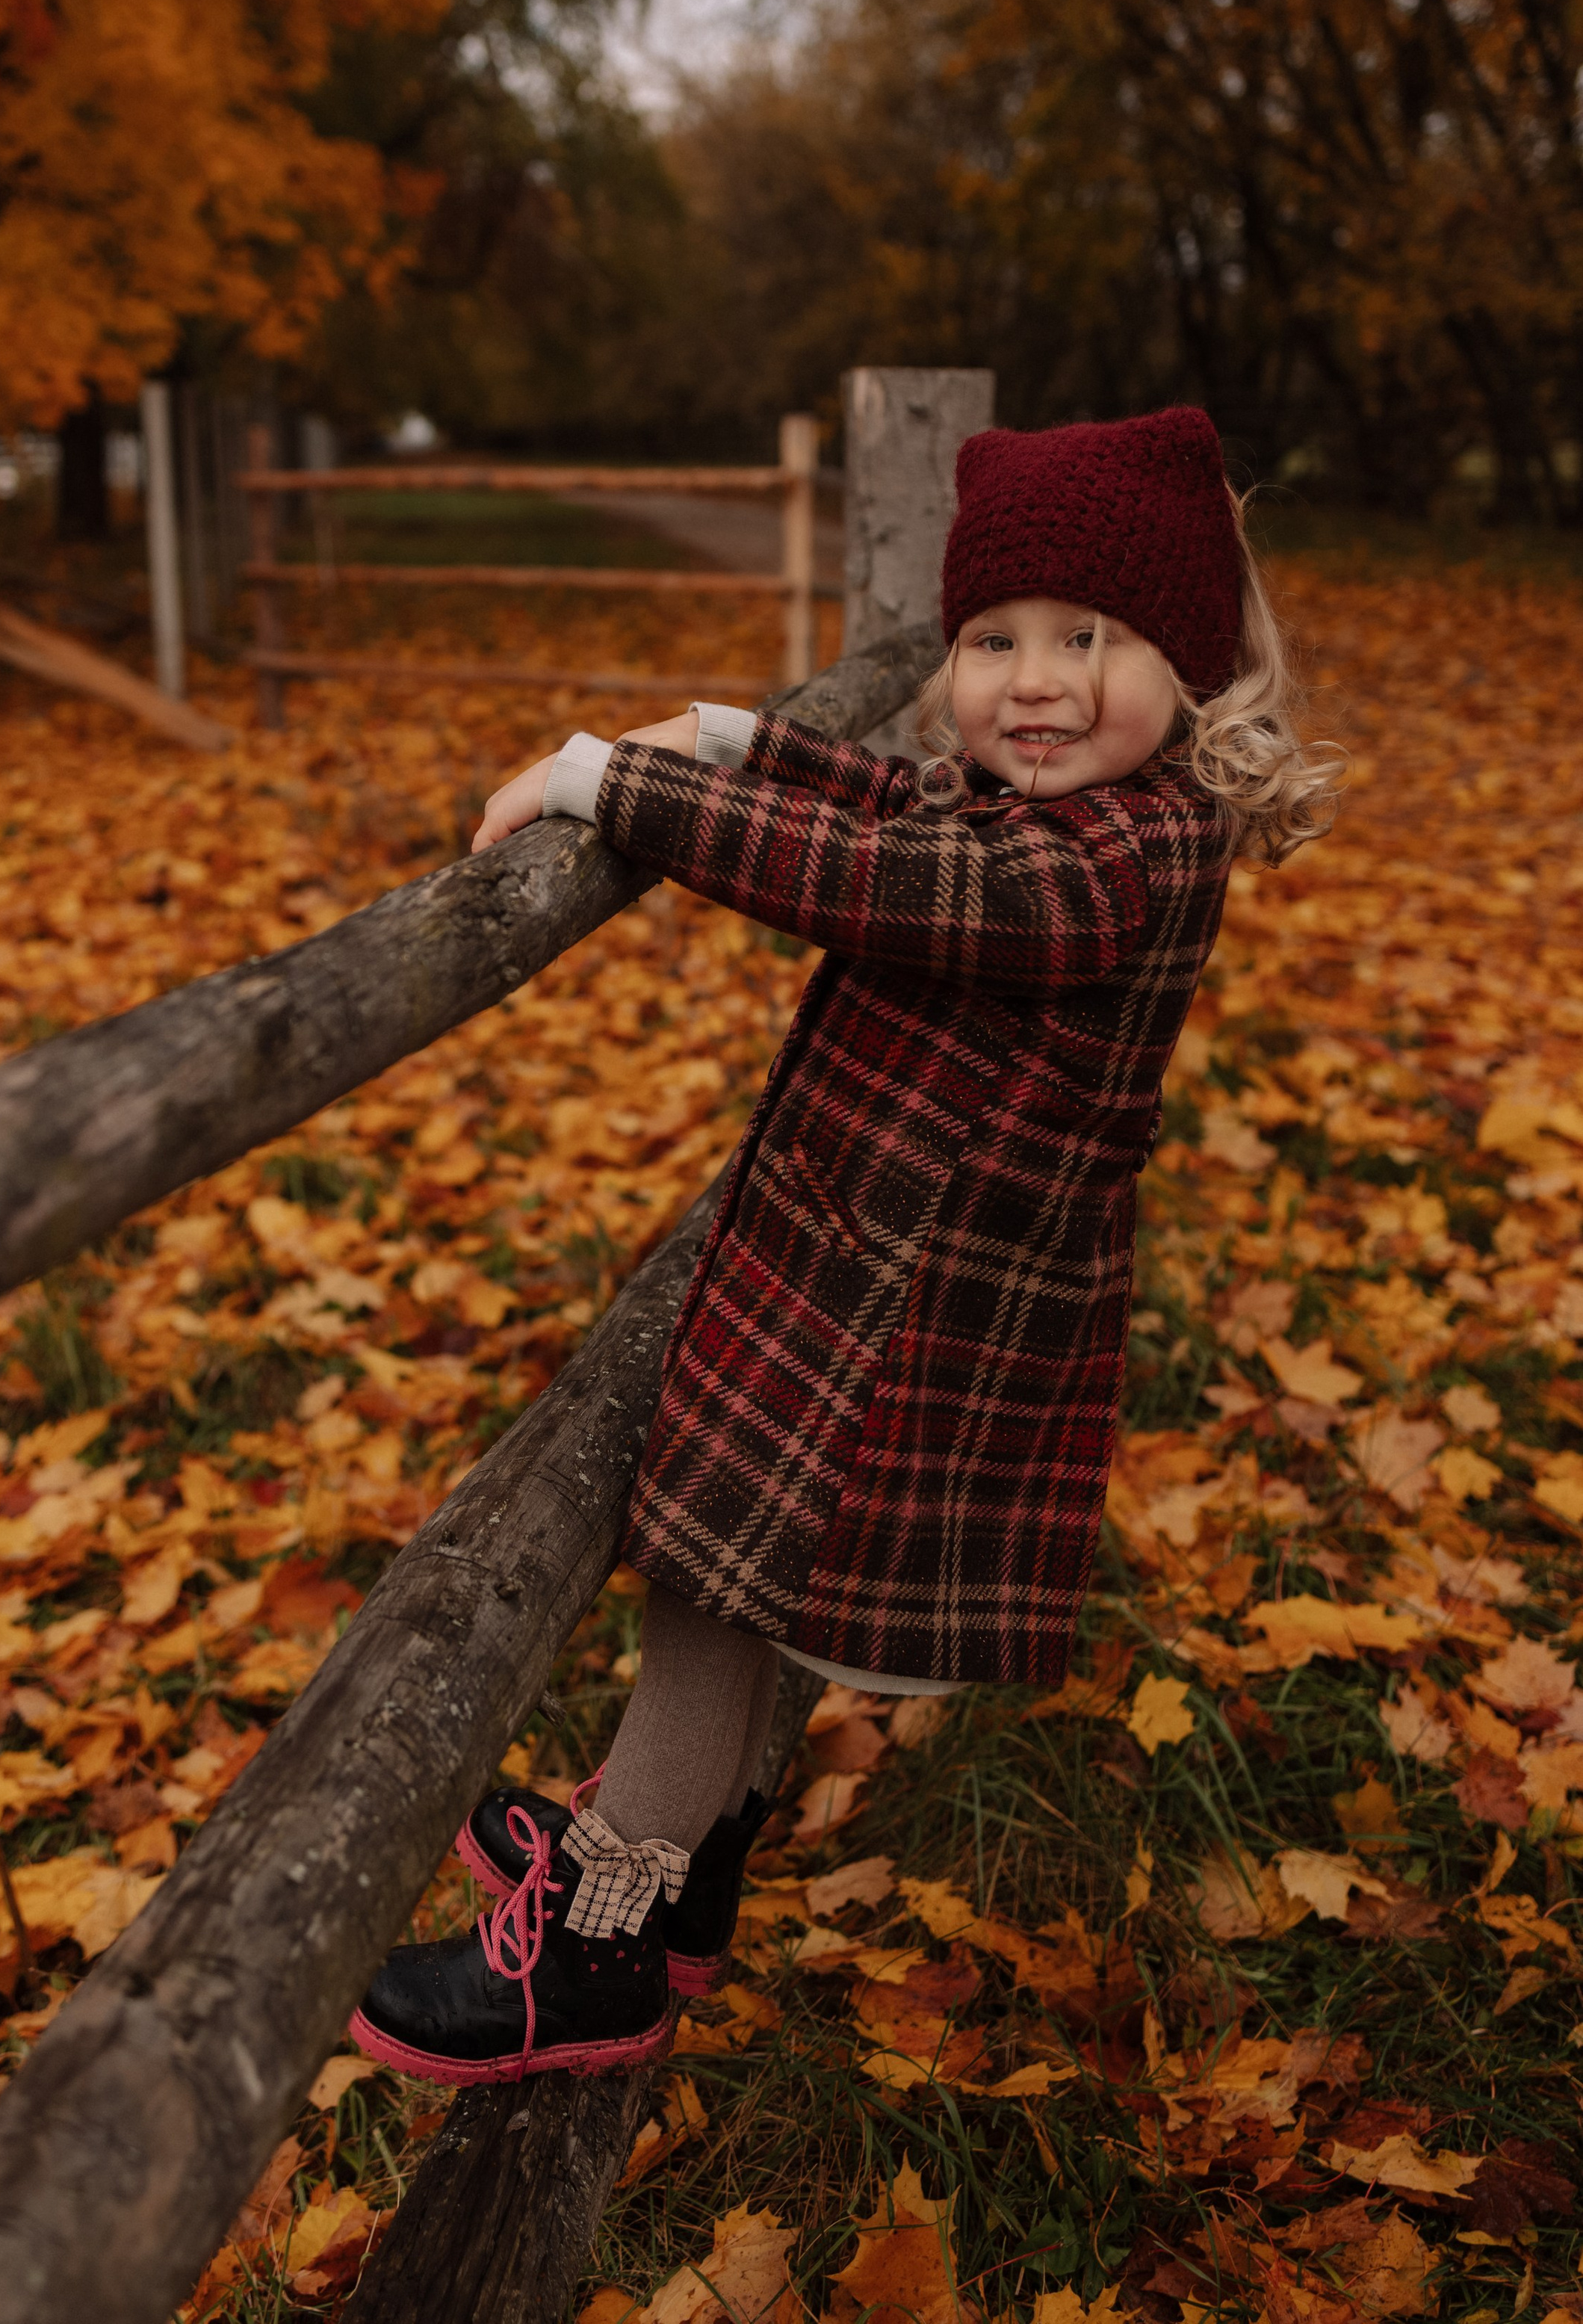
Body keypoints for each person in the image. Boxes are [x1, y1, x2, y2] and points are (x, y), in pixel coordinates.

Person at [350, 406, 1344, 2086]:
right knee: (727, 1590)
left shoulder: (1122, 858)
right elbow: (897, 802)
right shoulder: (1070, 811)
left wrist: (622, 785)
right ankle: (678, 1869)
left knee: (711, 1582)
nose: (1027, 681)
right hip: (871, 1283)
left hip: (901, 1322)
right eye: (987, 641)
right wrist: (740, 735)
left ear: (1186, 664)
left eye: (1081, 641)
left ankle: (600, 1943)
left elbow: (882, 876)